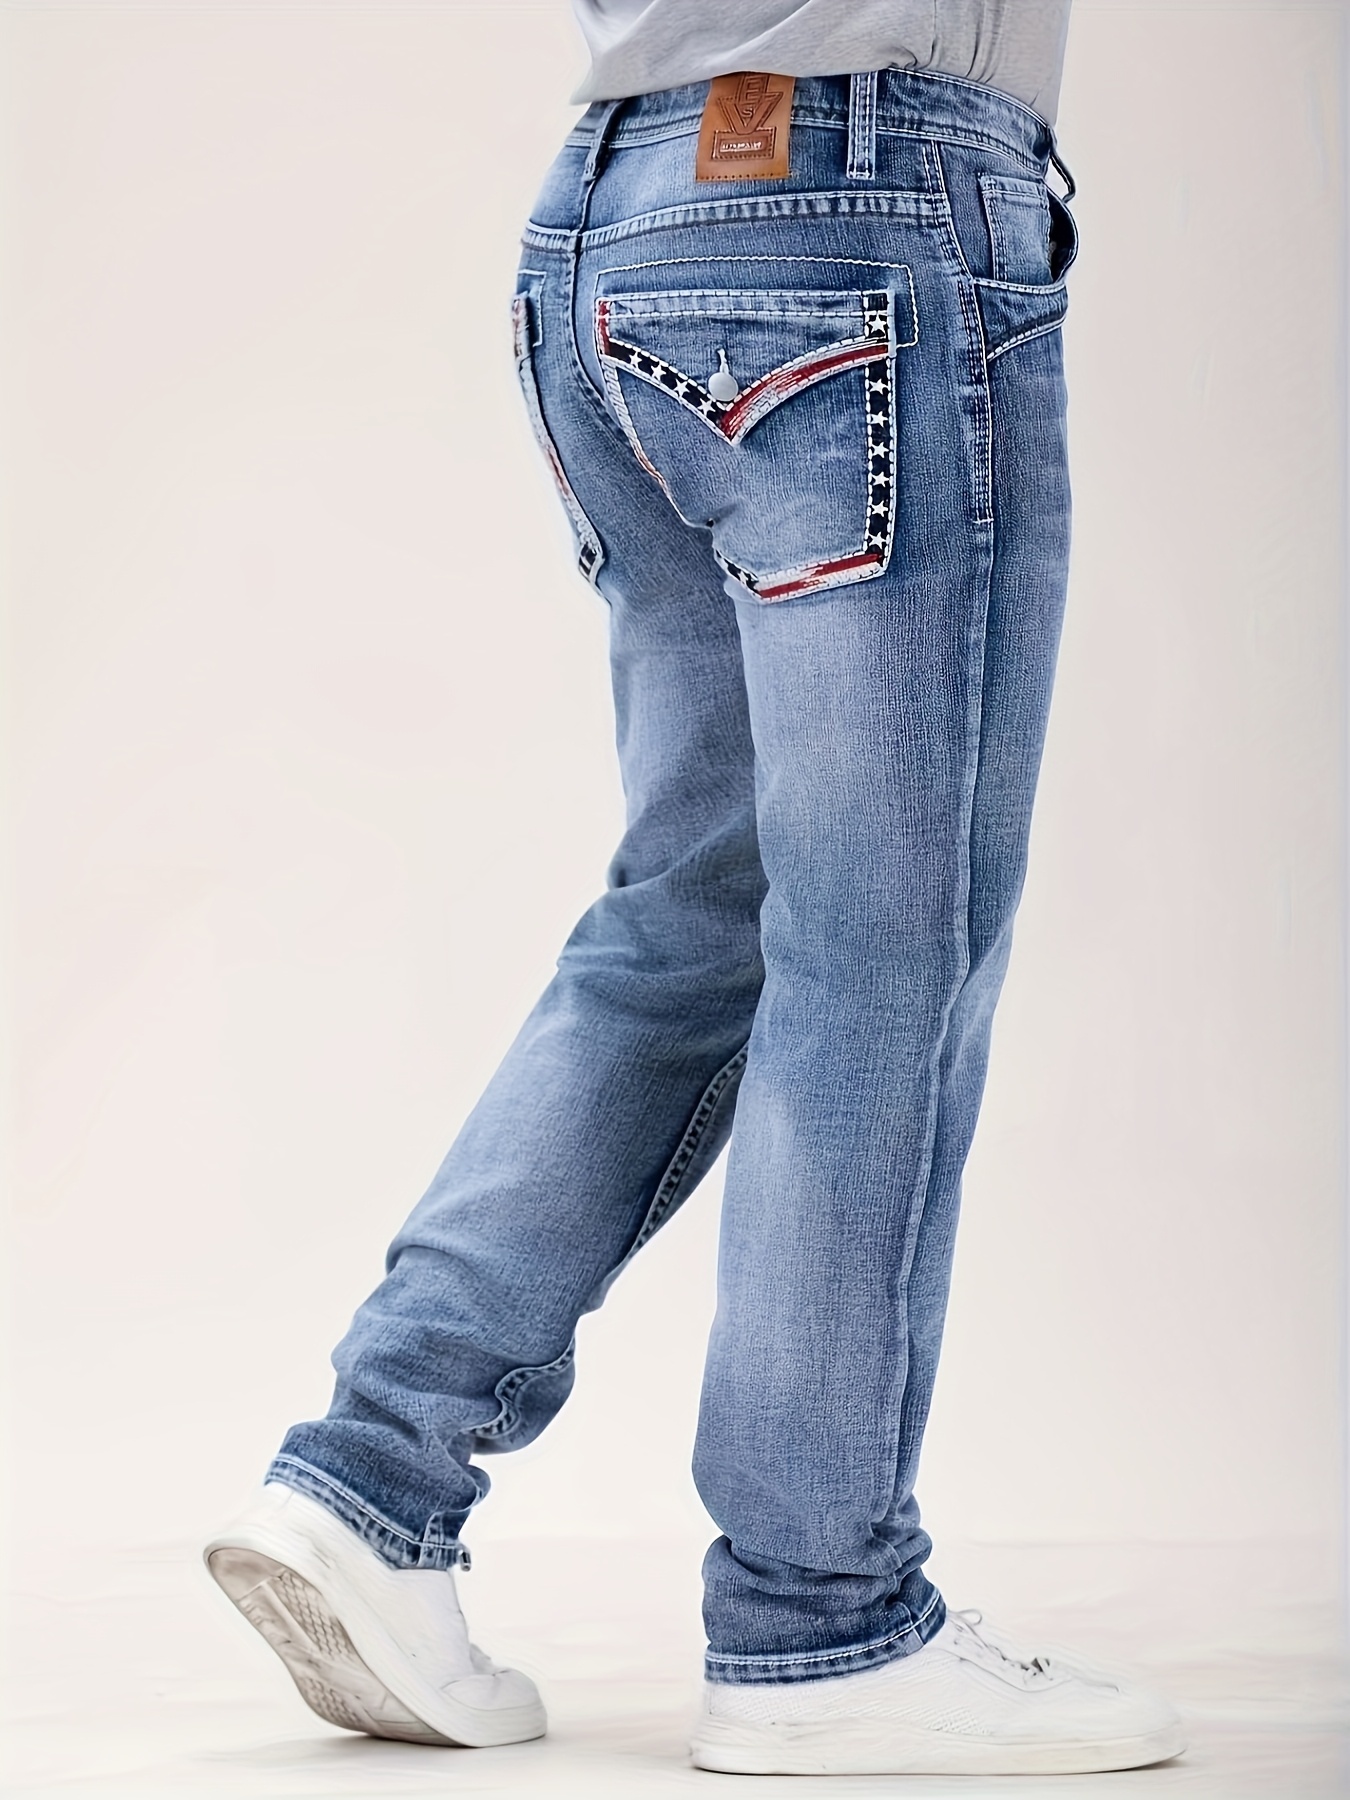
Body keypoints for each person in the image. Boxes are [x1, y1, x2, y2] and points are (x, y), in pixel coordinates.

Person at [205, 1, 1186, 1776]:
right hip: (863, 208)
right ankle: (822, 1623)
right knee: (880, 952)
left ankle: (370, 1479)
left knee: (688, 922)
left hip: (613, 216)